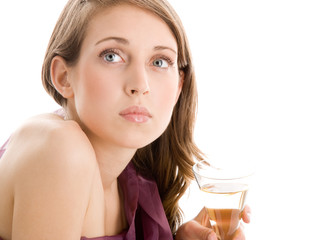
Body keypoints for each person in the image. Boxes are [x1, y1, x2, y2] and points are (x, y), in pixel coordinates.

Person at [0, 0, 251, 239]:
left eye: (159, 61)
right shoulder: (60, 149)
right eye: (112, 56)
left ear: (178, 87)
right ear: (64, 76)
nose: (140, 85)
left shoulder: (134, 178)